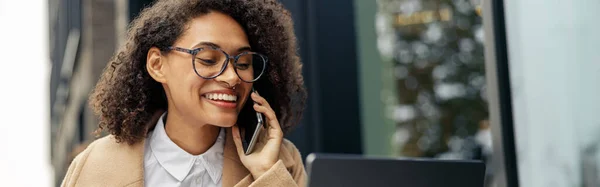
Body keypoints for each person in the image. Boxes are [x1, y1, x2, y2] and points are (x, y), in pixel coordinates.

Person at [60, 0, 307, 186]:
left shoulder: (281, 162)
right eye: (209, 59)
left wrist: (266, 175)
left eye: (242, 64)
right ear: (157, 65)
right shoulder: (95, 167)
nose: (232, 77)